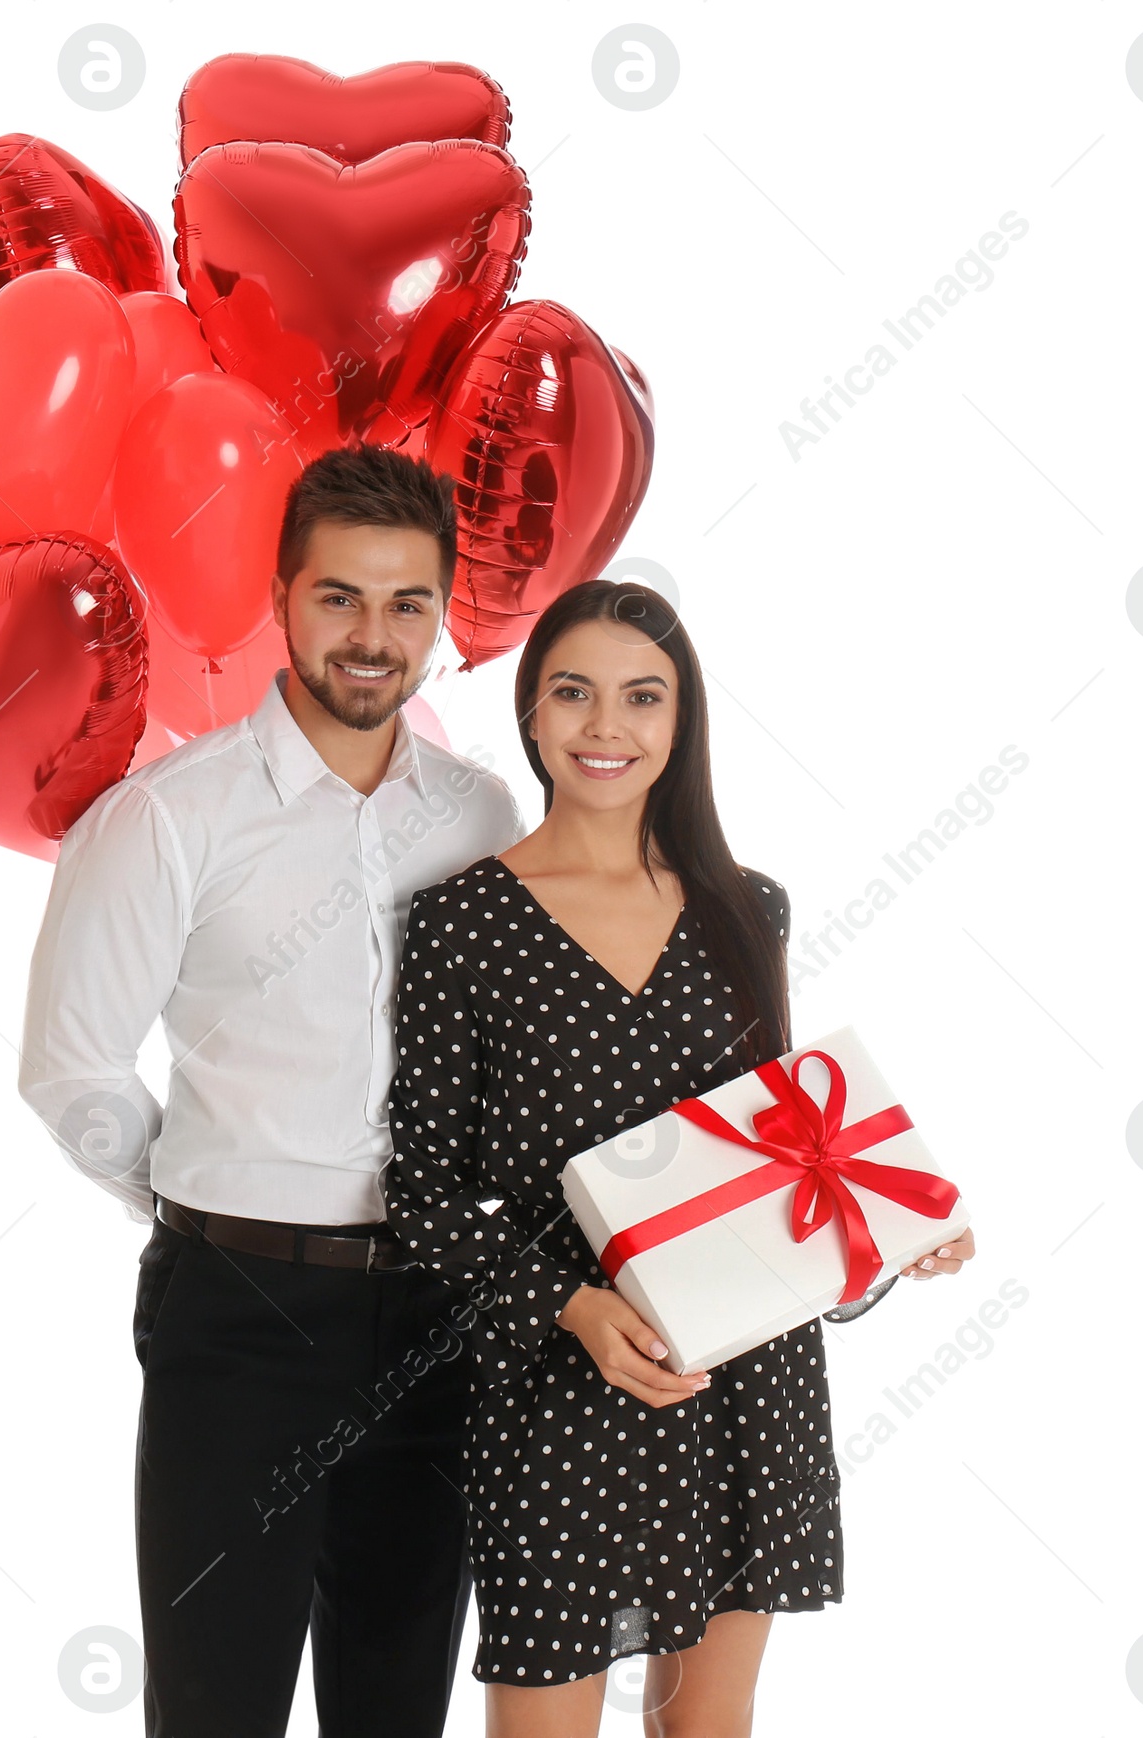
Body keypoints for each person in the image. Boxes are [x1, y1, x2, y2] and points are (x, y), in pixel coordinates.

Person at [384, 579, 976, 1737]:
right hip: (560, 1381)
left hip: (740, 1379)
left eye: (641, 698)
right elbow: (420, 1192)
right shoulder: (464, 920)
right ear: (532, 712)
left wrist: (888, 1232)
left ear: (680, 720)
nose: (606, 727)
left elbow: (779, 1153)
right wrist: (571, 1307)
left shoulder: (749, 909)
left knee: (706, 1728)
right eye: (574, 693)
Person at [16, 443, 526, 1737]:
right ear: (283, 596)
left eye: (407, 602)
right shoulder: (169, 819)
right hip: (238, 1319)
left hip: (433, 1315)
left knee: (396, 1703)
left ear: (444, 613)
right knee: (217, 1707)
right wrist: (210, 1194)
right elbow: (70, 1065)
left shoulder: (480, 814)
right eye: (340, 596)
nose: (372, 635)